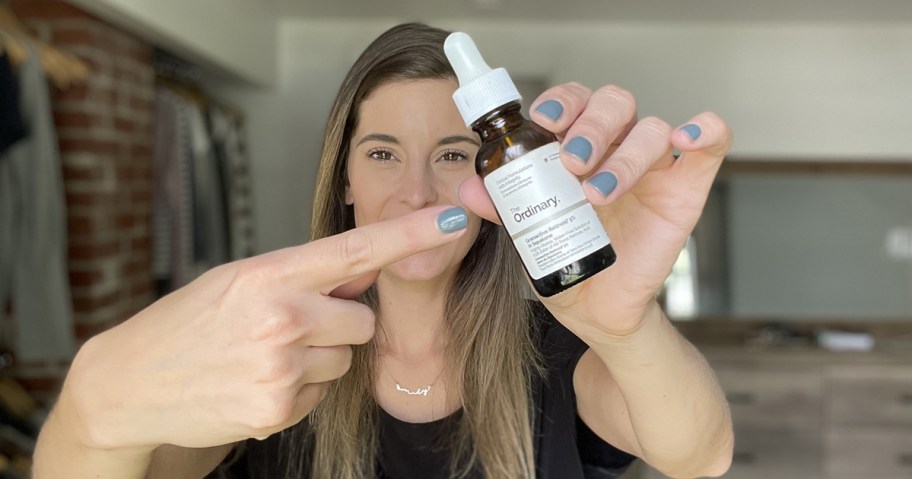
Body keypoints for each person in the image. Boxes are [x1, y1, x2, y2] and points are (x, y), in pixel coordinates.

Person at [33, 23, 733, 479]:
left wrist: (625, 321)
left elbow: (699, 454)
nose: (417, 192)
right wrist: (91, 411)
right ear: (345, 179)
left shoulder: (557, 350)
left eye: (454, 154)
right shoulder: (268, 358)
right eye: (383, 153)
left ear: (501, 177)